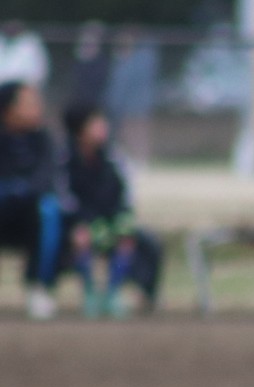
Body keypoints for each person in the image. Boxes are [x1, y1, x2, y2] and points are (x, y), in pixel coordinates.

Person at [63, 102, 164, 318]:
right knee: (82, 236)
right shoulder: (66, 160)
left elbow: (124, 198)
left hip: (109, 223)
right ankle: (90, 293)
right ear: (80, 129)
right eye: (96, 123)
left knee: (133, 238)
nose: (103, 127)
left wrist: (121, 222)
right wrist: (81, 223)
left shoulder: (112, 159)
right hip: (79, 225)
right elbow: (66, 199)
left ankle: (113, 293)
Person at [0, 81, 63, 320]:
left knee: (48, 210)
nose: (37, 108)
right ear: (8, 110)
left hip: (29, 215)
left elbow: (46, 178)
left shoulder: (43, 140)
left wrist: (23, 191)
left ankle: (38, 285)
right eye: (28, 103)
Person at [103, 29, 159, 168]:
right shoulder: (120, 61)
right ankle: (130, 159)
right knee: (125, 132)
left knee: (138, 132)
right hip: (121, 105)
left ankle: (142, 160)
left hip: (137, 104)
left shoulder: (139, 60)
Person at [0, 20, 48, 88]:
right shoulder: (2, 42)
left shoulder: (31, 44)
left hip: (23, 87)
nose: (11, 27)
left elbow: (39, 70)